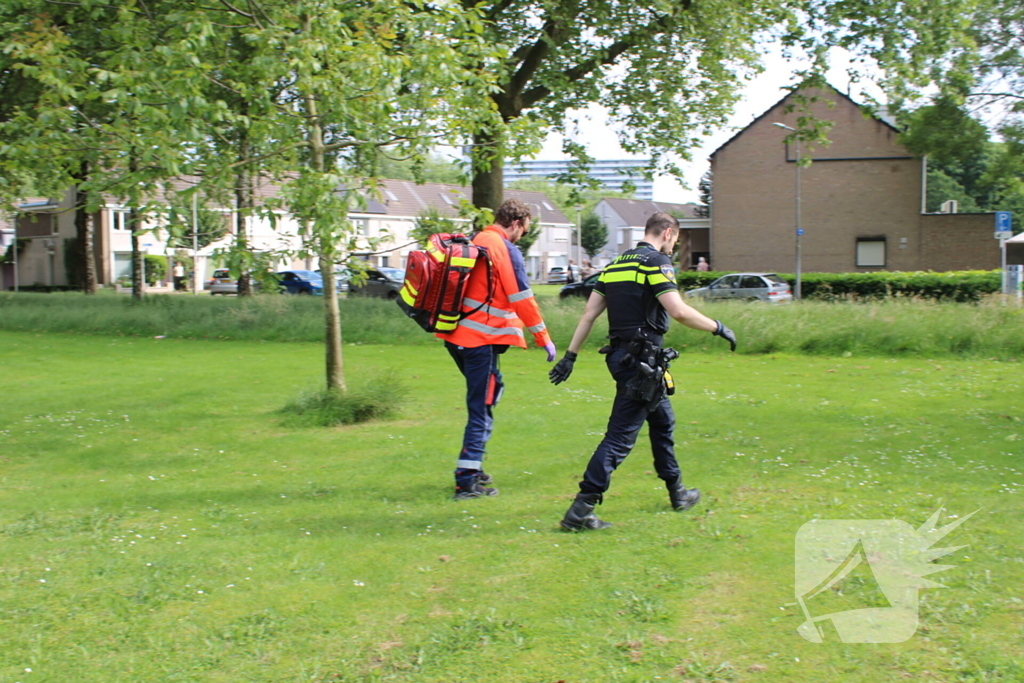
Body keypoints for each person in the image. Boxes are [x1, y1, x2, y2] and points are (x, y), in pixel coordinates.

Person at [548, 212, 736, 530]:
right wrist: (717, 327)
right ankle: (581, 510)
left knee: (663, 422)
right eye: (674, 240)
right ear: (667, 233)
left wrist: (570, 356)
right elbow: (677, 311)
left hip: (625, 359)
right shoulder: (655, 262)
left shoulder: (616, 264)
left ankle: (677, 492)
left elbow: (589, 314)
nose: (673, 247)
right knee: (620, 437)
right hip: (641, 365)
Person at [437, 199, 556, 499]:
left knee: (488, 397)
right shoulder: (504, 248)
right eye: (524, 231)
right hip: (480, 341)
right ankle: (466, 480)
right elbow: (522, 297)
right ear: (515, 223)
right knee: (481, 408)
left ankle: (473, 467)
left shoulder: (478, 239)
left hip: (457, 338)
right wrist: (543, 338)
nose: (522, 237)